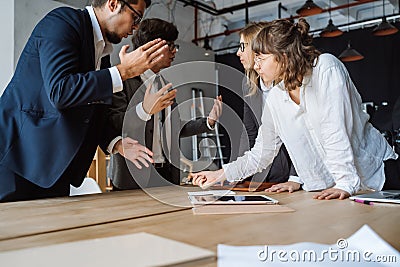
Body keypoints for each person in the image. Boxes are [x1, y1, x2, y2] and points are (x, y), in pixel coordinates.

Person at [192, 18, 397, 200]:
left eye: (261, 58)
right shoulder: (276, 97)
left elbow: (334, 130)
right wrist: (220, 174)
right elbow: (261, 153)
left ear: (282, 56)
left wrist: (345, 183)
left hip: (378, 175)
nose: (256, 65)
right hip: (333, 189)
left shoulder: (326, 68)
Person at [0, 0, 174, 201]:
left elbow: (91, 112)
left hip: (55, 168)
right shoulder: (62, 23)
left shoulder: (103, 53)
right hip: (18, 159)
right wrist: (123, 72)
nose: (135, 28)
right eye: (135, 17)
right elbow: (60, 91)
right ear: (114, 3)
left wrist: (116, 143)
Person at [108, 18, 223, 189]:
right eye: (170, 45)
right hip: (132, 176)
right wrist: (144, 110)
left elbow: (175, 128)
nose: (174, 51)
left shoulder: (163, 84)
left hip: (166, 174)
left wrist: (208, 122)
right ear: (153, 46)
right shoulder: (122, 80)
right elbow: (115, 123)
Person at [237, 22, 296, 185]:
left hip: (297, 168)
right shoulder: (248, 83)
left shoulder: (290, 82)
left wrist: (295, 178)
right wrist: (238, 173)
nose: (238, 53)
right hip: (266, 168)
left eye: (242, 46)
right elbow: (249, 131)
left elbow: (303, 134)